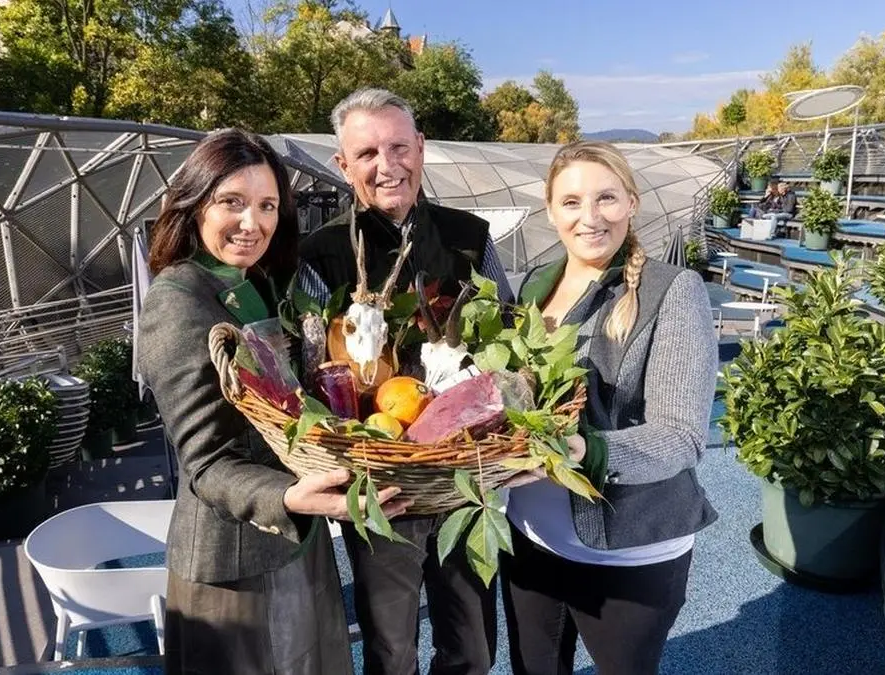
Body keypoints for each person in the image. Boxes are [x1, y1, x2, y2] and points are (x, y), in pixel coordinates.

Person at [137, 129, 410, 675]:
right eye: (231, 202)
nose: (252, 222)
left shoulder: (254, 281)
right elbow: (206, 464)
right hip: (236, 560)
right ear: (194, 205)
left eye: (267, 206)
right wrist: (291, 496)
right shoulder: (178, 300)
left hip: (293, 540)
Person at [294, 88, 514, 675]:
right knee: (391, 648)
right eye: (366, 153)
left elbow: (511, 339)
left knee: (473, 644)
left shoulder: (468, 235)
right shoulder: (320, 253)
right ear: (343, 165)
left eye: (398, 146)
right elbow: (311, 369)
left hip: (465, 476)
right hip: (380, 483)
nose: (385, 166)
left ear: (421, 147)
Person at [501, 141, 719, 675]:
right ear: (550, 210)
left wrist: (583, 449)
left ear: (633, 202)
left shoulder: (673, 290)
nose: (590, 218)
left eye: (606, 198)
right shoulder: (535, 283)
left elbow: (681, 437)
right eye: (571, 202)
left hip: (626, 550)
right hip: (531, 535)